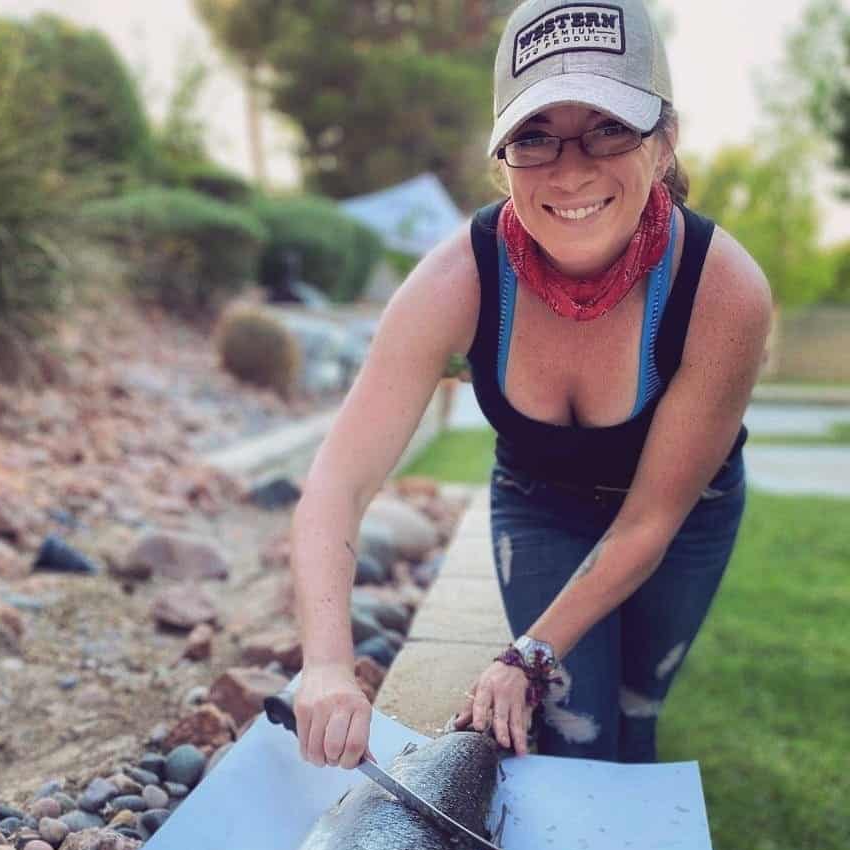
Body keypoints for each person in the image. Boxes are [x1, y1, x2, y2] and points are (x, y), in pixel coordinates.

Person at [289, 0, 771, 768]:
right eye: (535, 136)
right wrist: (325, 665)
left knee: (635, 714)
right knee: (578, 735)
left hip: (682, 520)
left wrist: (525, 655)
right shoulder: (456, 281)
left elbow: (649, 521)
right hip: (539, 509)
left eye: (610, 126)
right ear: (501, 157)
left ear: (665, 140)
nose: (571, 168)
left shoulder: (723, 290)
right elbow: (337, 481)